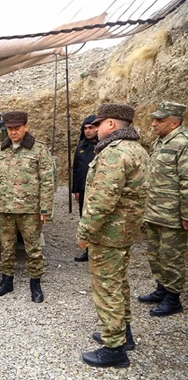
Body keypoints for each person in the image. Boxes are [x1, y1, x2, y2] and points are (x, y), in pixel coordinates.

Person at [76, 103, 148, 368]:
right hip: (124, 232)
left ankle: (114, 349)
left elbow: (101, 201)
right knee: (119, 283)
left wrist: (84, 232)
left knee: (107, 288)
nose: (96, 127)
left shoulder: (114, 153)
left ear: (111, 124)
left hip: (108, 234)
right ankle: (123, 333)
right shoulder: (137, 149)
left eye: (100, 122)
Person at [0, 111, 54, 303]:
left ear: (25, 127)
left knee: (33, 247)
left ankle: (35, 283)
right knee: (6, 247)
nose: (13, 133)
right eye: (10, 129)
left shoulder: (38, 150)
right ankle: (7, 280)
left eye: (17, 129)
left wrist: (45, 208)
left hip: (29, 209)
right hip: (5, 208)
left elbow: (47, 180)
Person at [138, 101, 187, 317]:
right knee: (155, 255)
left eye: (160, 120)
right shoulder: (160, 142)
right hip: (155, 212)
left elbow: (187, 181)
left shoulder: (183, 144)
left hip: (173, 216)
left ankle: (173, 298)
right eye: (154, 119)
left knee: (172, 258)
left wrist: (186, 214)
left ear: (175, 122)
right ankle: (162, 288)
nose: (154, 123)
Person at [72, 114, 98, 262]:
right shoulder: (81, 147)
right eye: (85, 128)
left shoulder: (104, 146)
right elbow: (76, 170)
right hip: (83, 190)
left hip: (98, 189)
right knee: (84, 219)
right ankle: (88, 250)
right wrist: (75, 190)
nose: (88, 131)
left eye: (91, 128)